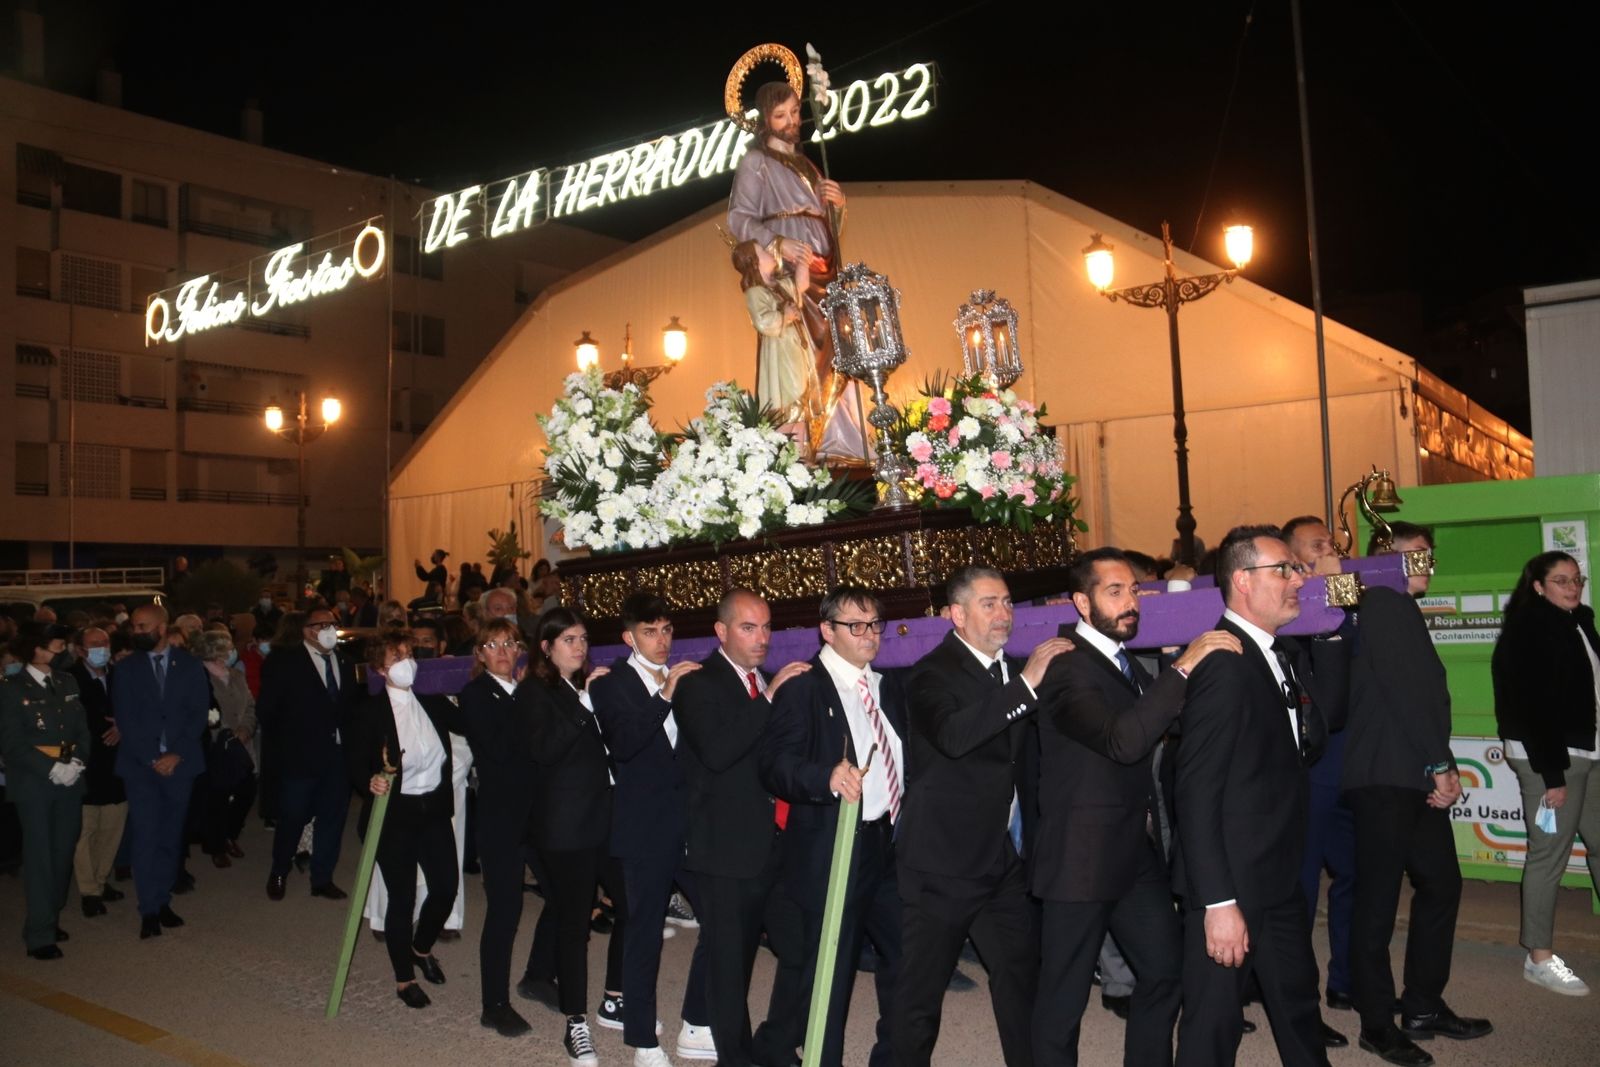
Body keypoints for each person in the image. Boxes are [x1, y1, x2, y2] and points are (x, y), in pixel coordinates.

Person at [1031, 549, 1239, 1066]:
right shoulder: (1066, 667)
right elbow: (1123, 741)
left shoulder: (1121, 662)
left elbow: (1159, 720)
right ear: (1082, 602)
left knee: (1165, 971)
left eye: (1134, 591)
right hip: (1079, 861)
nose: (1131, 603)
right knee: (1063, 1002)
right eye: (1115, 592)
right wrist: (1185, 664)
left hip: (1131, 852)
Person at [893, 566, 1072, 1067]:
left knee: (1021, 978)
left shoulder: (1008, 670)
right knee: (919, 1001)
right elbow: (954, 736)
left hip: (999, 858)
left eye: (1009, 602)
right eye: (989, 603)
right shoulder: (930, 674)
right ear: (956, 614)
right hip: (941, 863)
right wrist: (1027, 685)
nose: (1004, 614)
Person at [1171, 525, 1329, 1067]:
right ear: (1242, 580)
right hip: (1232, 882)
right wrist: (1218, 903)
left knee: (1298, 1004)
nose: (1297, 581)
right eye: (1283, 570)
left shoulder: (1273, 653)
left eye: (1295, 570)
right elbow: (1194, 791)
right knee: (1212, 1030)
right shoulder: (1224, 666)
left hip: (1277, 872)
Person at [1344, 522, 1491, 1064]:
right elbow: (1409, 693)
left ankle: (1424, 1004)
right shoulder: (1384, 600)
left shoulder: (1396, 606)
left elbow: (1417, 695)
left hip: (1411, 770)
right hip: (1386, 773)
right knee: (1377, 903)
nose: (1427, 563)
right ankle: (1377, 1023)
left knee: (1441, 882)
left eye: (1430, 555)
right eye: (1416, 554)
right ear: (1385, 558)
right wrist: (1440, 764)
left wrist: (1433, 764)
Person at [761, 586, 907, 1067]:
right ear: (827, 630)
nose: (869, 635)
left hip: (887, 843)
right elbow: (775, 764)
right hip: (837, 848)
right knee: (830, 975)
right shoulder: (805, 686)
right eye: (856, 626)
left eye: (874, 625)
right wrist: (824, 777)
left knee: (909, 956)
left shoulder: (884, 686)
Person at [674, 589, 808, 1067]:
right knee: (730, 968)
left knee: (803, 950)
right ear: (722, 631)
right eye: (749, 628)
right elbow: (717, 751)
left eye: (767, 627)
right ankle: (737, 1059)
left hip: (775, 845)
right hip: (726, 851)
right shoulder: (698, 684)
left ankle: (773, 1043)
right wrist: (770, 697)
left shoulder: (762, 683)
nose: (762, 638)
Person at [590, 592, 715, 1066]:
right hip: (644, 826)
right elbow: (624, 745)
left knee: (722, 920)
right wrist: (664, 694)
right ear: (629, 637)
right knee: (643, 932)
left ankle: (698, 1021)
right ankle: (642, 1040)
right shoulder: (611, 684)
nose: (661, 641)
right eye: (650, 632)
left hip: (691, 822)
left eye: (666, 630)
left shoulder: (686, 675)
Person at [1492, 550, 1600, 996]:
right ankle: (1538, 957)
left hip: (1587, 751)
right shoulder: (1528, 628)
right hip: (1549, 758)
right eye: (1561, 581)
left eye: (1576, 579)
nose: (1572, 587)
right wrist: (1552, 775)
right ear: (1537, 585)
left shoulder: (1580, 619)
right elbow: (1531, 707)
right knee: (1549, 854)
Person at [522, 607, 613, 1067]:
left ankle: (615, 996)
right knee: (575, 924)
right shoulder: (534, 692)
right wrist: (586, 708)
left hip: (604, 817)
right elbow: (544, 750)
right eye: (568, 640)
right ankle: (575, 1023)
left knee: (633, 905)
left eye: (582, 638)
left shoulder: (585, 685)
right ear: (546, 647)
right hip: (564, 827)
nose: (578, 647)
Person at [354, 628, 463, 1009]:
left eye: (408, 654)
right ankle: (404, 978)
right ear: (380, 669)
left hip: (431, 810)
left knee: (446, 888)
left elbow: (470, 723)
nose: (407, 662)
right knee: (401, 899)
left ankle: (420, 947)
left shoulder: (430, 701)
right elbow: (354, 763)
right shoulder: (370, 710)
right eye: (396, 657)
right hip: (393, 818)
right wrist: (368, 781)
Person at [1281, 515, 1358, 1037]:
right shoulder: (1285, 605)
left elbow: (1357, 634)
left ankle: (1347, 979)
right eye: (1316, 545)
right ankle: (1298, 1001)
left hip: (1349, 763)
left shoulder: (1344, 594)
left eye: (1330, 543)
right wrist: (1327, 586)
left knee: (1356, 874)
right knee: (1300, 890)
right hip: (1305, 770)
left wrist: (1340, 585)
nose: (1327, 550)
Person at [112, 604, 209, 940]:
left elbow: (198, 714)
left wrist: (176, 754)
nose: (136, 632)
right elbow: (126, 719)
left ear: (162, 626)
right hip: (141, 767)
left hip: (180, 765)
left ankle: (164, 899)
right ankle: (149, 908)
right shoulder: (126, 670)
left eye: (142, 626)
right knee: (146, 836)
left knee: (171, 836)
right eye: (134, 627)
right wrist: (154, 757)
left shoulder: (191, 666)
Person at [459, 618, 536, 1036]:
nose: (503, 652)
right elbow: (501, 749)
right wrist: (525, 697)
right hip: (501, 816)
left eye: (509, 643)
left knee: (567, 896)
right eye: (492, 645)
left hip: (539, 812)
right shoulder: (476, 694)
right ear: (480, 654)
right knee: (505, 910)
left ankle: (539, 974)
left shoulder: (526, 691)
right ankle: (495, 1003)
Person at [256, 608, 361, 901]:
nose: (330, 630)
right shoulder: (284, 662)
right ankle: (279, 870)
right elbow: (268, 710)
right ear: (306, 630)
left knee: (332, 818)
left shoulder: (344, 661)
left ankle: (322, 877)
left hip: (338, 756)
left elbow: (352, 709)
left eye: (333, 624)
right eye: (322, 625)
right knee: (292, 816)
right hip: (300, 756)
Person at [0, 623, 91, 958]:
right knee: (40, 858)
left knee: (62, 854)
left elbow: (82, 730)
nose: (61, 647)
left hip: (69, 779)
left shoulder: (66, 681)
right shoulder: (11, 687)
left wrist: (76, 763)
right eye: (55, 642)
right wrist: (52, 768)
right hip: (35, 783)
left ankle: (48, 917)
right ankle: (39, 934)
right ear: (36, 648)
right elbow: (11, 743)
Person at [69, 625, 127, 918]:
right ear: (80, 650)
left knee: (112, 828)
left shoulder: (120, 675)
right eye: (94, 644)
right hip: (87, 765)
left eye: (104, 642)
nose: (101, 648)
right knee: (86, 831)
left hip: (119, 765)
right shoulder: (70, 679)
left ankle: (102, 881)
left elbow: (139, 709)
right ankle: (89, 890)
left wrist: (123, 727)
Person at [191, 631, 256, 868]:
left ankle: (230, 833)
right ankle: (216, 844)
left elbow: (250, 705)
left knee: (247, 790)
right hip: (216, 747)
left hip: (240, 745)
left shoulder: (237, 675)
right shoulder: (199, 676)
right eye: (227, 648)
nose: (231, 652)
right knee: (217, 796)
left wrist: (246, 729)